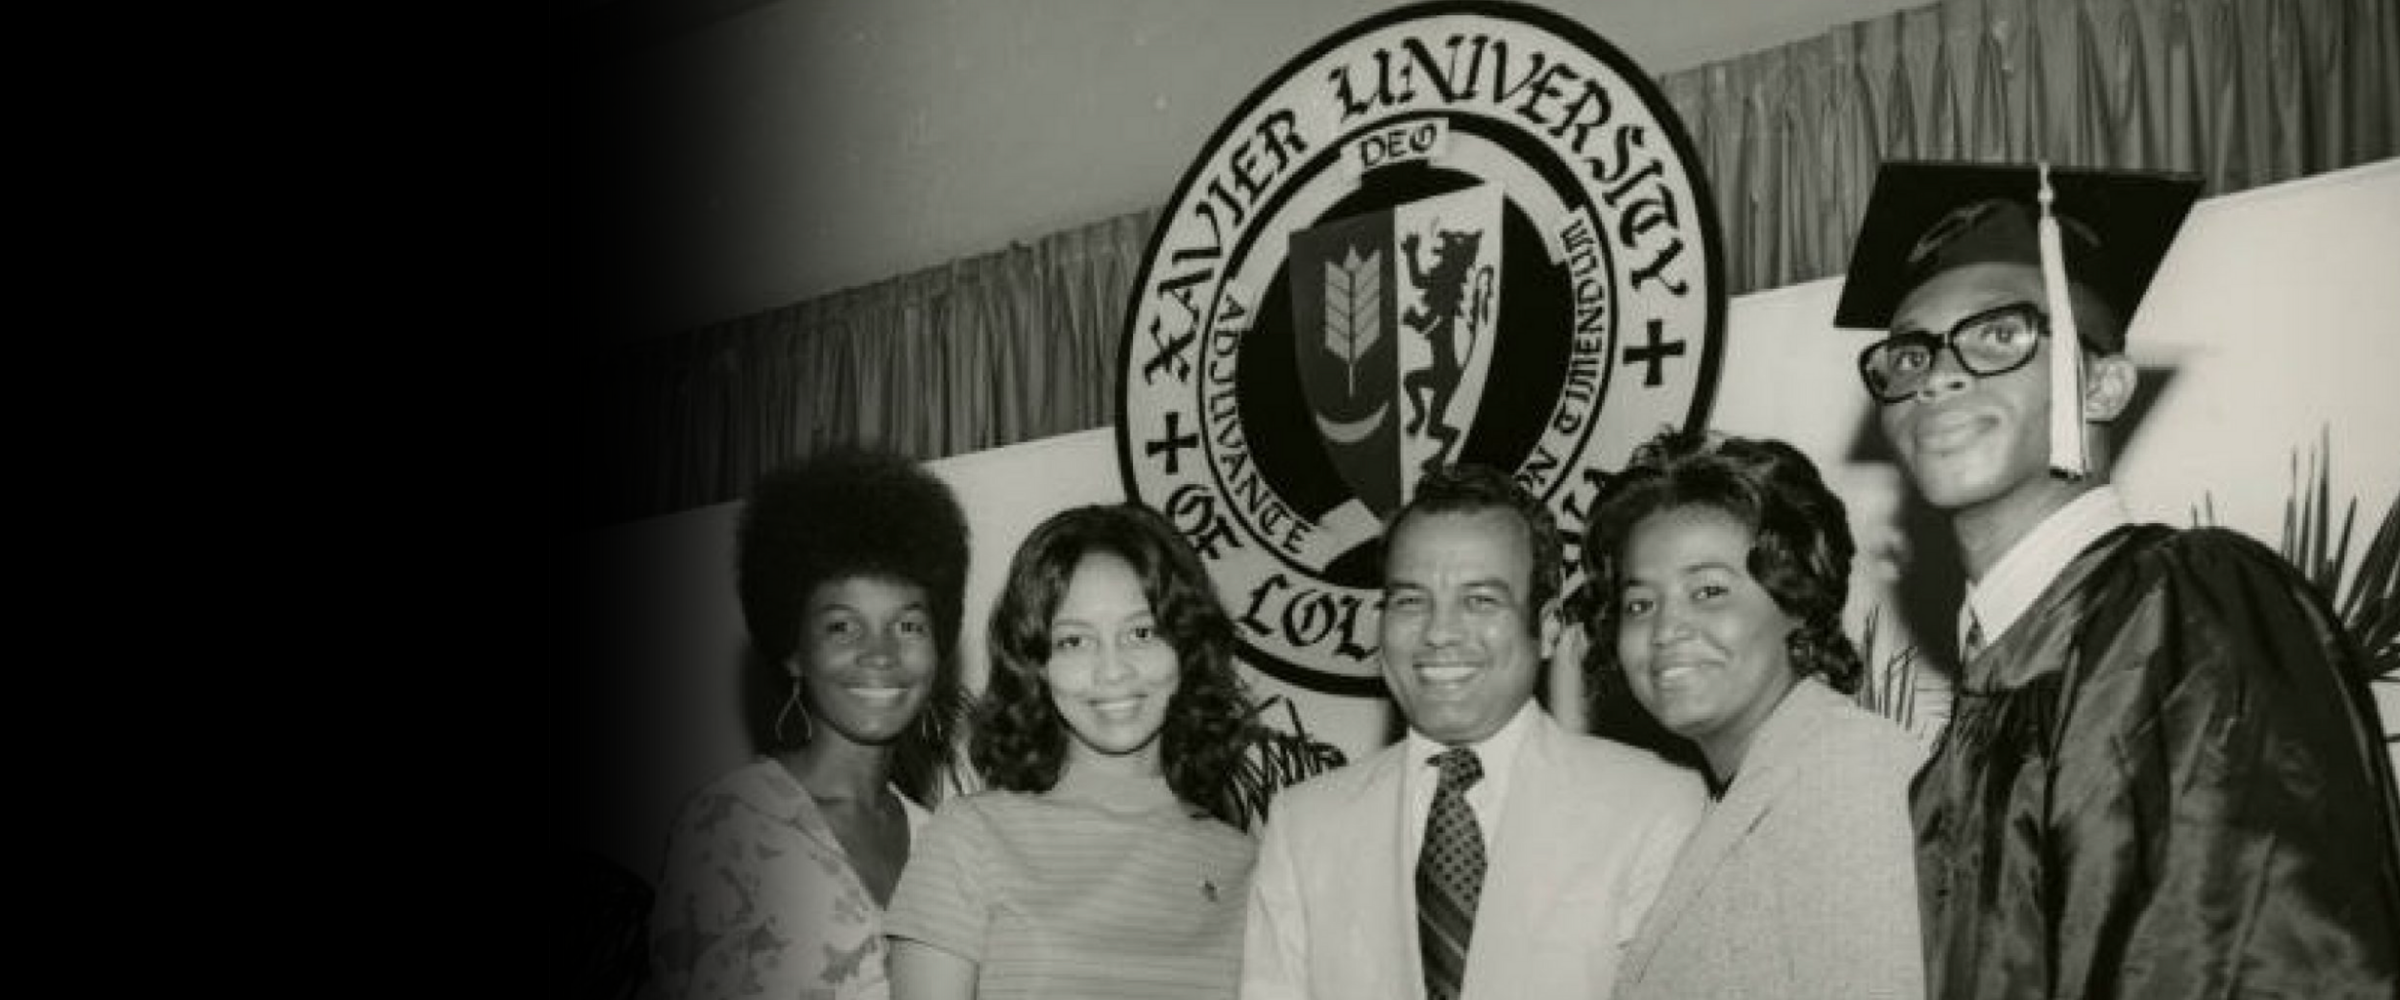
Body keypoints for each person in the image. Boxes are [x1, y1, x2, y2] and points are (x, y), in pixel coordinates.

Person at [1835, 159, 2400, 998]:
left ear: (2104, 386)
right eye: (1908, 355)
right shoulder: (1979, 710)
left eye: (2001, 336)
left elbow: (2251, 957)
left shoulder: (2187, 613)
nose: (1938, 376)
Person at [1242, 463, 1707, 1000]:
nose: (1440, 633)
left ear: (1549, 626)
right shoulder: (1303, 825)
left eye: (1480, 601)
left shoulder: (1657, 806)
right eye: (1411, 601)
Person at [1582, 428, 1925, 1000]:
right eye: (1640, 604)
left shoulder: (1853, 776)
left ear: (1796, 600)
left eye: (1709, 591)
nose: (1666, 630)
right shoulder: (1750, 788)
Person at [885, 502, 1263, 1000]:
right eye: (1074, 642)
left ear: (1186, 646)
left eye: (1141, 633)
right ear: (1035, 665)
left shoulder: (1249, 865)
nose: (1112, 671)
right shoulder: (972, 838)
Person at [648, 446, 973, 1000]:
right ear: (793, 651)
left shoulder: (942, 842)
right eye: (843, 627)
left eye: (909, 625)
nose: (881, 653)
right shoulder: (732, 827)